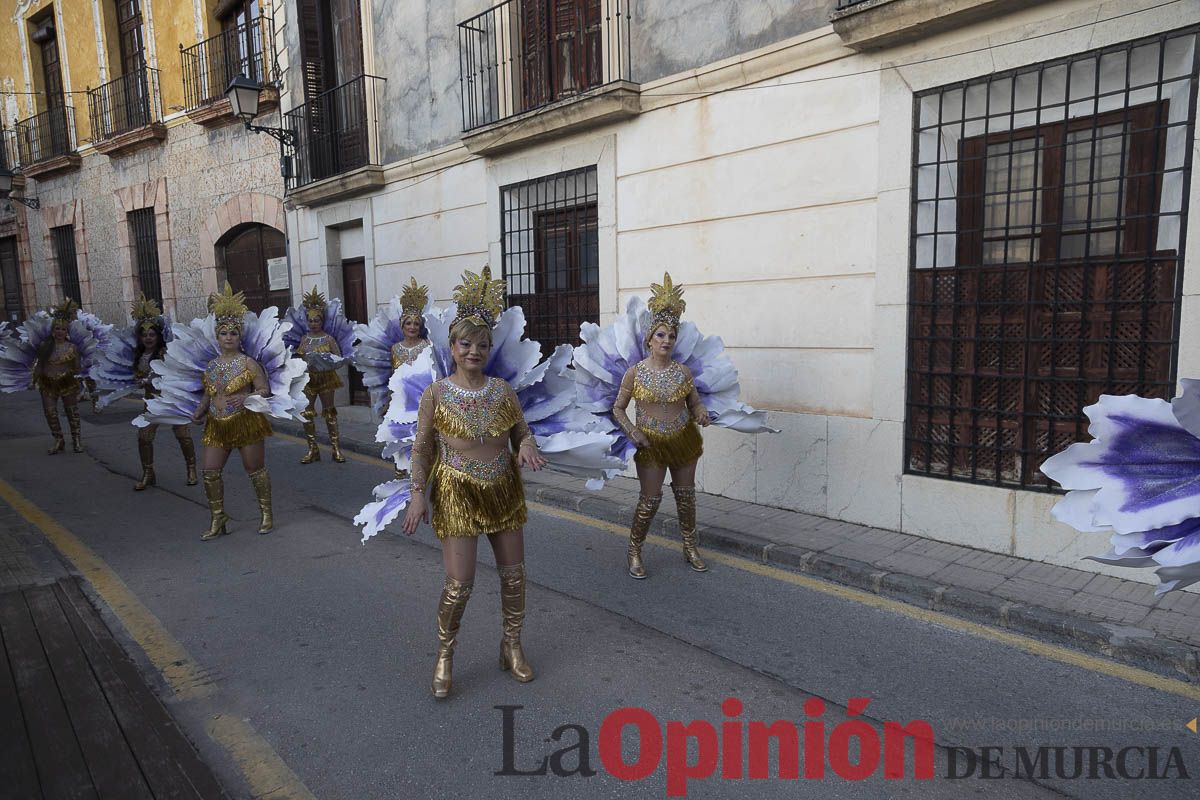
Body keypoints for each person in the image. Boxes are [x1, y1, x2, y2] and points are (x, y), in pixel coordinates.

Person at [401, 267, 547, 699]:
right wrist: (416, 495)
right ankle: (445, 654)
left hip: (503, 486)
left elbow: (521, 430)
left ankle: (511, 645)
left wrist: (525, 446)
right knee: (459, 583)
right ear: (452, 346)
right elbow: (423, 449)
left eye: (482, 345)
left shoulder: (503, 390)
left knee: (514, 576)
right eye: (466, 344)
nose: (474, 351)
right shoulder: (437, 394)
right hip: (456, 490)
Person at [612, 274, 712, 578]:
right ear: (649, 339)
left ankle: (689, 546)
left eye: (671, 335)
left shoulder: (683, 372)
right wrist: (633, 431)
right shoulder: (634, 373)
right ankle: (634, 550)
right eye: (660, 335)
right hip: (650, 443)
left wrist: (701, 412)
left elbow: (694, 402)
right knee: (650, 499)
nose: (666, 340)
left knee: (686, 496)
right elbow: (617, 408)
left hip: (684, 439)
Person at [190, 283, 274, 539]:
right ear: (217, 337)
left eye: (233, 333)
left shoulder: (248, 363)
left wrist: (246, 396)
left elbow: (264, 390)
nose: (228, 337)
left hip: (246, 423)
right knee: (210, 473)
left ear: (240, 337)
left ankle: (266, 513)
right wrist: (199, 412)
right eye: (224, 333)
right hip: (216, 425)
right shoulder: (211, 366)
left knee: (255, 470)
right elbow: (209, 393)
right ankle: (218, 517)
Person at [128, 295, 197, 490]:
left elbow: (176, 372)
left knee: (183, 434)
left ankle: (191, 469)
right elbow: (139, 377)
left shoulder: (165, 353)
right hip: (151, 402)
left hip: (171, 400)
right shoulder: (139, 356)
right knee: (144, 437)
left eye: (152, 334)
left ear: (158, 336)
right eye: (144, 335)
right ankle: (148, 473)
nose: (148, 338)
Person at [293, 287, 346, 464]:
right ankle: (312, 449)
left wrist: (327, 361)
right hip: (309, 379)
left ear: (322, 321)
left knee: (329, 413)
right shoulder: (304, 339)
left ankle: (336, 449)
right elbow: (299, 357)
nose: (313, 323)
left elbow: (339, 358)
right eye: (310, 320)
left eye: (317, 320)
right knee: (307, 413)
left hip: (326, 378)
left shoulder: (329, 339)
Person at [35, 299, 85, 455]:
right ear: (52, 330)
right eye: (57, 328)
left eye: (63, 329)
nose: (60, 331)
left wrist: (80, 384)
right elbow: (39, 365)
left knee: (72, 412)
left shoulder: (73, 347)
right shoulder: (45, 346)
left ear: (67, 331)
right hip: (47, 384)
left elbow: (77, 368)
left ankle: (76, 440)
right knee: (50, 413)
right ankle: (59, 440)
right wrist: (33, 379)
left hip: (67, 383)